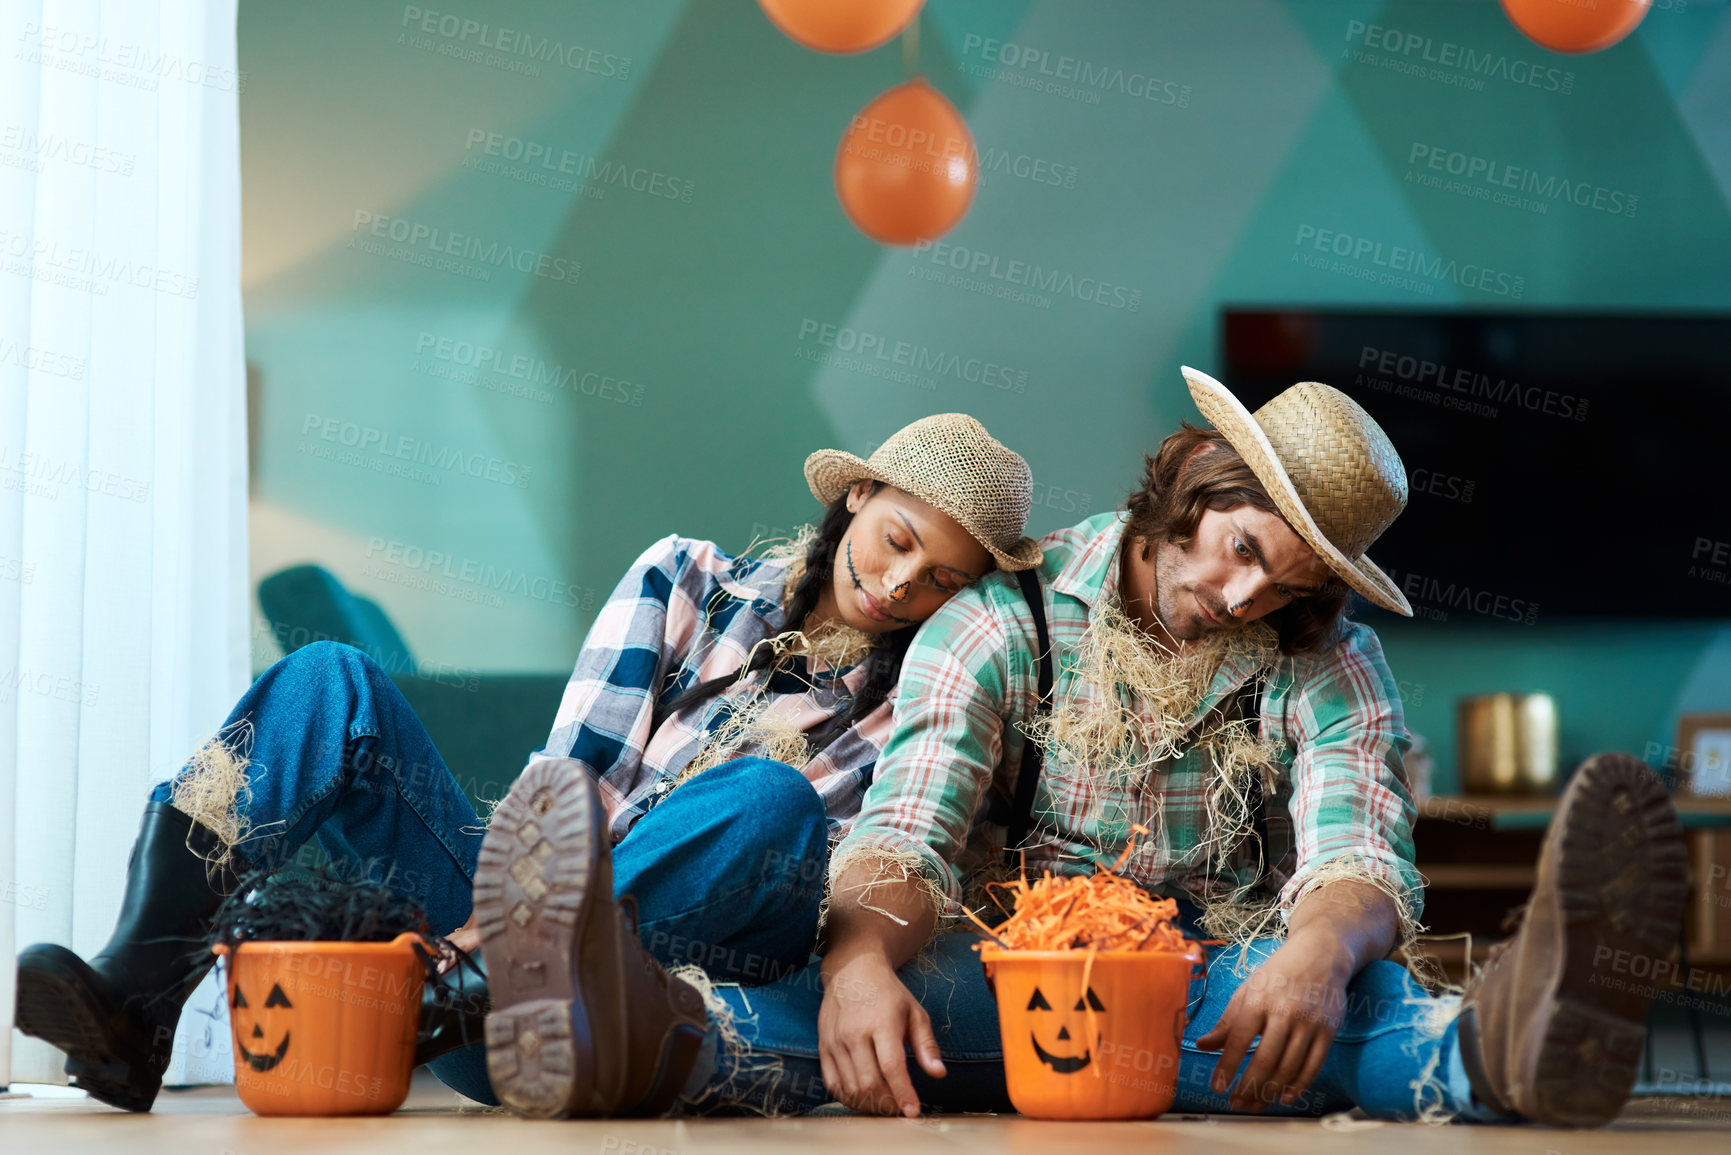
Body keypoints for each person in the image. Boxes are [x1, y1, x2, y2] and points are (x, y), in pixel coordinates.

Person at [473, 366, 1685, 1127]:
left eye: (1291, 584)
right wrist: (857, 967)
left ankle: (1508, 1046)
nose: (1244, 597)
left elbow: (1359, 841)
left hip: (1207, 978)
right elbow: (909, 824)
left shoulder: (1327, 662)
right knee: (859, 1014)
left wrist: (1315, 953)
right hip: (999, 974)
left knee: (1328, 1008)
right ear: (1200, 483)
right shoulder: (1005, 617)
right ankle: (648, 1038)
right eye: (1247, 549)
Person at [12, 412, 1042, 1115]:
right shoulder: (687, 579)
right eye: (898, 538)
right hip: (479, 981)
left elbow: (810, 888)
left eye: (941, 580)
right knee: (330, 680)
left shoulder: (922, 715)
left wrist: (472, 952)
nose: (901, 583)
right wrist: (482, 938)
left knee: (765, 799)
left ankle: (456, 991)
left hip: (632, 993)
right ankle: (138, 991)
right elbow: (573, 784)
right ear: (857, 495)